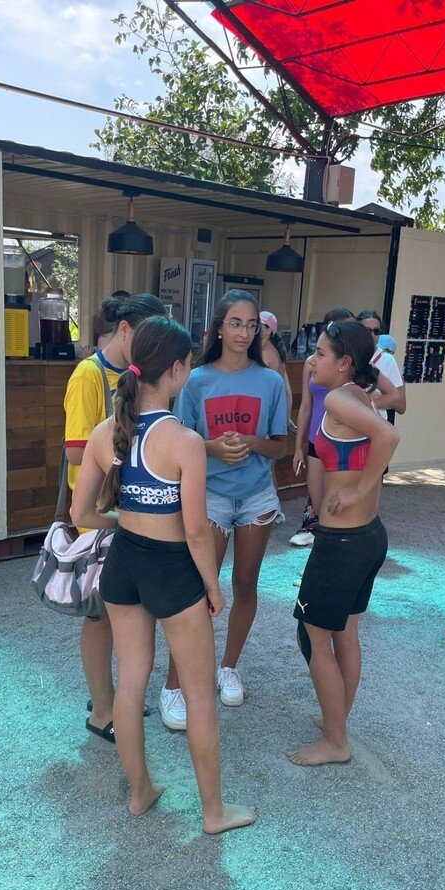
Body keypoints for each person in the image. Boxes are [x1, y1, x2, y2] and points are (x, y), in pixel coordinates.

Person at [70, 315, 256, 834]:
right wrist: (213, 587)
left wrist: (124, 523)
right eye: (189, 363)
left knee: (130, 684)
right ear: (176, 370)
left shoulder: (106, 431)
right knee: (199, 696)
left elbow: (81, 513)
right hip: (171, 571)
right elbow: (196, 531)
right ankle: (214, 811)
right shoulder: (184, 440)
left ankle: (140, 793)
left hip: (124, 565)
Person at [160, 289, 287, 727]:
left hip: (256, 497)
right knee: (198, 591)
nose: (244, 332)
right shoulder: (196, 381)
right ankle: (174, 684)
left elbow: (279, 446)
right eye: (236, 323)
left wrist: (252, 443)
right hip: (209, 495)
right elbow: (179, 440)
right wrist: (213, 447)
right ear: (218, 327)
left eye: (252, 325)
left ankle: (228, 667)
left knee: (246, 585)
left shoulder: (271, 382)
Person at [287, 320, 400, 767]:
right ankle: (337, 722)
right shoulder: (357, 396)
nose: (311, 360)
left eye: (320, 353)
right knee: (345, 633)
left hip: (343, 542)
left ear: (344, 362)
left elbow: (389, 436)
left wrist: (356, 490)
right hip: (367, 536)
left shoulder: (338, 398)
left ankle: (336, 741)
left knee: (312, 635)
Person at [64, 293, 167, 742]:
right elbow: (74, 451)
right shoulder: (88, 374)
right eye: (147, 338)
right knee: (99, 615)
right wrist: (127, 450)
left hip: (129, 512)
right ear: (124, 331)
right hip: (98, 517)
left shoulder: (138, 377)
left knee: (123, 613)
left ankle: (114, 696)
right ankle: (102, 709)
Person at [290, 308, 355, 548]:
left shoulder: (353, 364)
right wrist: (298, 446)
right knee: (317, 499)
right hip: (315, 438)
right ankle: (320, 538)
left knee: (338, 499)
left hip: (342, 439)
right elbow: (306, 406)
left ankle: (335, 545)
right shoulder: (311, 363)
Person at [259, 311, 297, 433]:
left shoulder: (266, 353)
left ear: (268, 330)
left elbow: (270, 390)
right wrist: (286, 417)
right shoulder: (276, 351)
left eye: (258, 325)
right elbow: (287, 390)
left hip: (265, 411)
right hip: (272, 410)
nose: (254, 328)